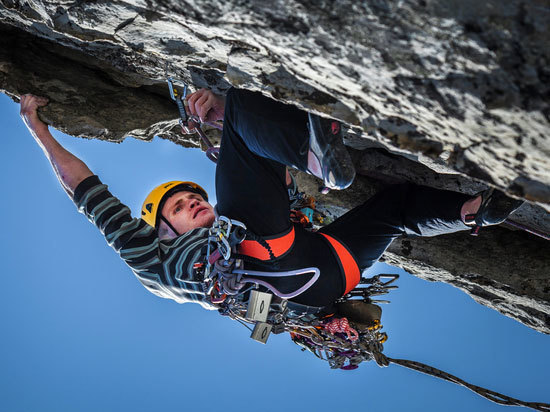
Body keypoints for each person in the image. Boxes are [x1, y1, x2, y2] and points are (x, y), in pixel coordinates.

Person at [19, 89, 522, 311]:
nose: (196, 203)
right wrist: (38, 131)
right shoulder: (147, 256)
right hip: (278, 262)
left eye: (194, 198)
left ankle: (476, 212)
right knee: (238, 107)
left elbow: (261, 172)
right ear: (161, 230)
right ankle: (318, 158)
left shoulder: (228, 233)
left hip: (325, 278)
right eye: (179, 207)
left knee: (396, 208)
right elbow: (85, 190)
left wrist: (216, 125)